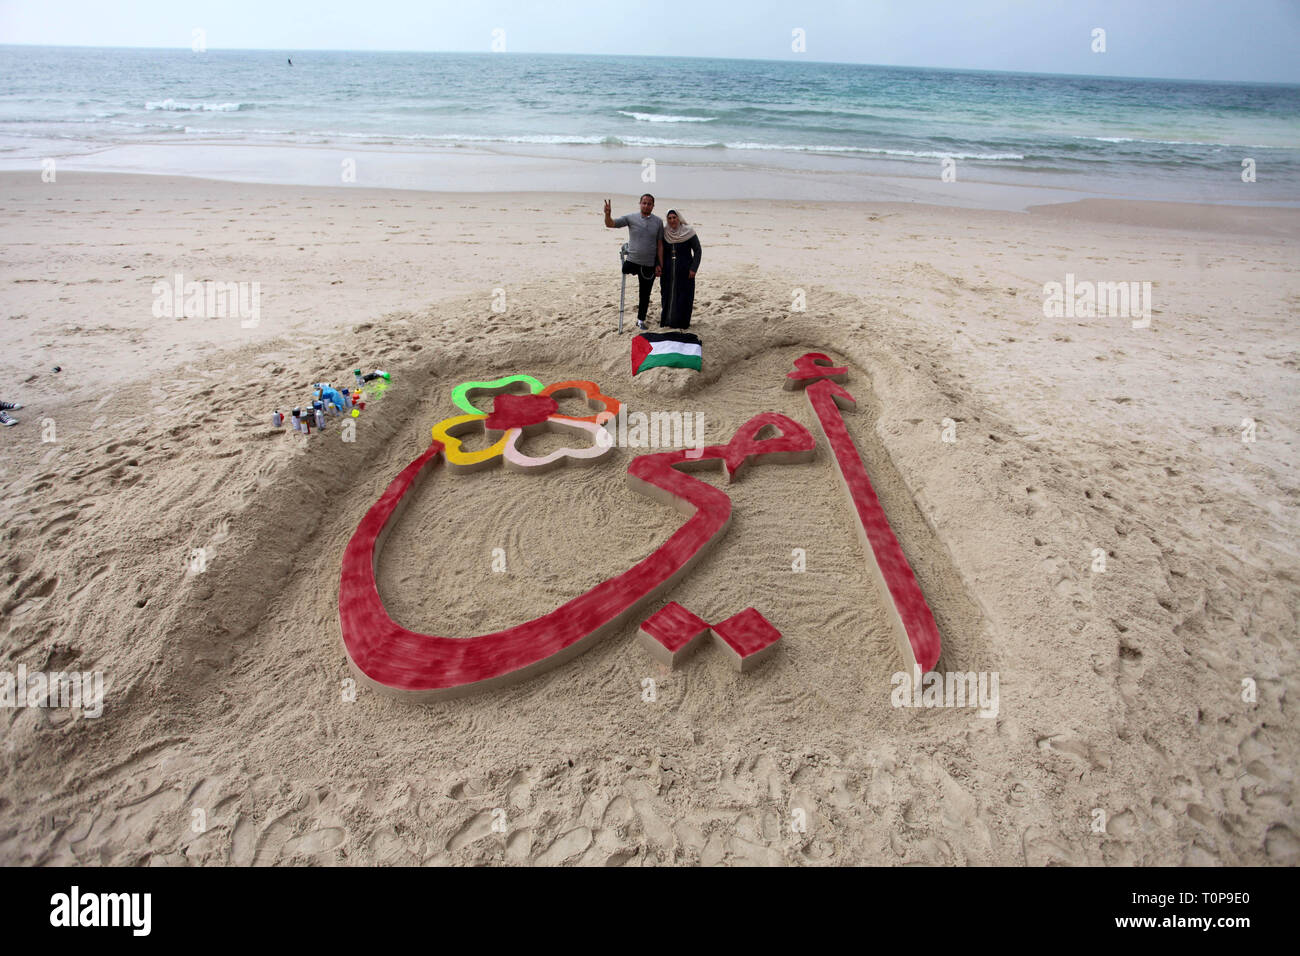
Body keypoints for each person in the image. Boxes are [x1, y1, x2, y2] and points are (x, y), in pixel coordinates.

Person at [604, 194, 663, 331]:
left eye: (649, 204)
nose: (646, 206)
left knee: (645, 293)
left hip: (649, 264)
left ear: (653, 206)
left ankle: (640, 320)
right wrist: (608, 214)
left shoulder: (658, 222)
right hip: (633, 261)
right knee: (625, 269)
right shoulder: (631, 218)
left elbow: (660, 244)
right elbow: (610, 224)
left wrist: (660, 264)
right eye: (644, 203)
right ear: (640, 203)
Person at [658, 210, 701, 329]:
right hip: (667, 270)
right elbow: (659, 249)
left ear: (679, 218)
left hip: (685, 270)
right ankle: (667, 320)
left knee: (684, 295)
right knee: (667, 294)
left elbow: (698, 250)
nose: (672, 220)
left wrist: (694, 268)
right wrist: (659, 265)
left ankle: (682, 322)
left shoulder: (688, 231)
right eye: (670, 218)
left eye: (674, 217)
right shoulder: (665, 232)